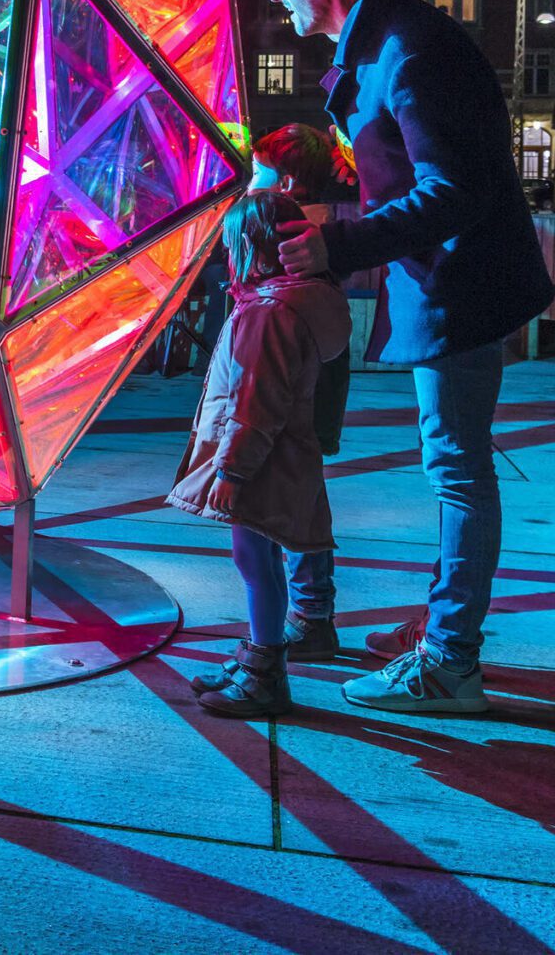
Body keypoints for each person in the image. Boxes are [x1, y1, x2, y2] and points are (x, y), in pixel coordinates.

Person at [268, 0, 554, 715]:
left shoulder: (406, 52)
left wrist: (340, 246)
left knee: (458, 469)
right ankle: (444, 633)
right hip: (446, 284)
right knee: (455, 464)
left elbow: (455, 191)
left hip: (458, 289)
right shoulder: (390, 42)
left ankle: (451, 662)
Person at [168, 189, 352, 718]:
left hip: (258, 461)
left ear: (249, 246)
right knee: (266, 560)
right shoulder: (310, 299)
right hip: (287, 453)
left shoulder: (267, 313)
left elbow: (255, 401)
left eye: (229, 245)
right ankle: (257, 653)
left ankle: (264, 671)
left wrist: (230, 469)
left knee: (253, 561)